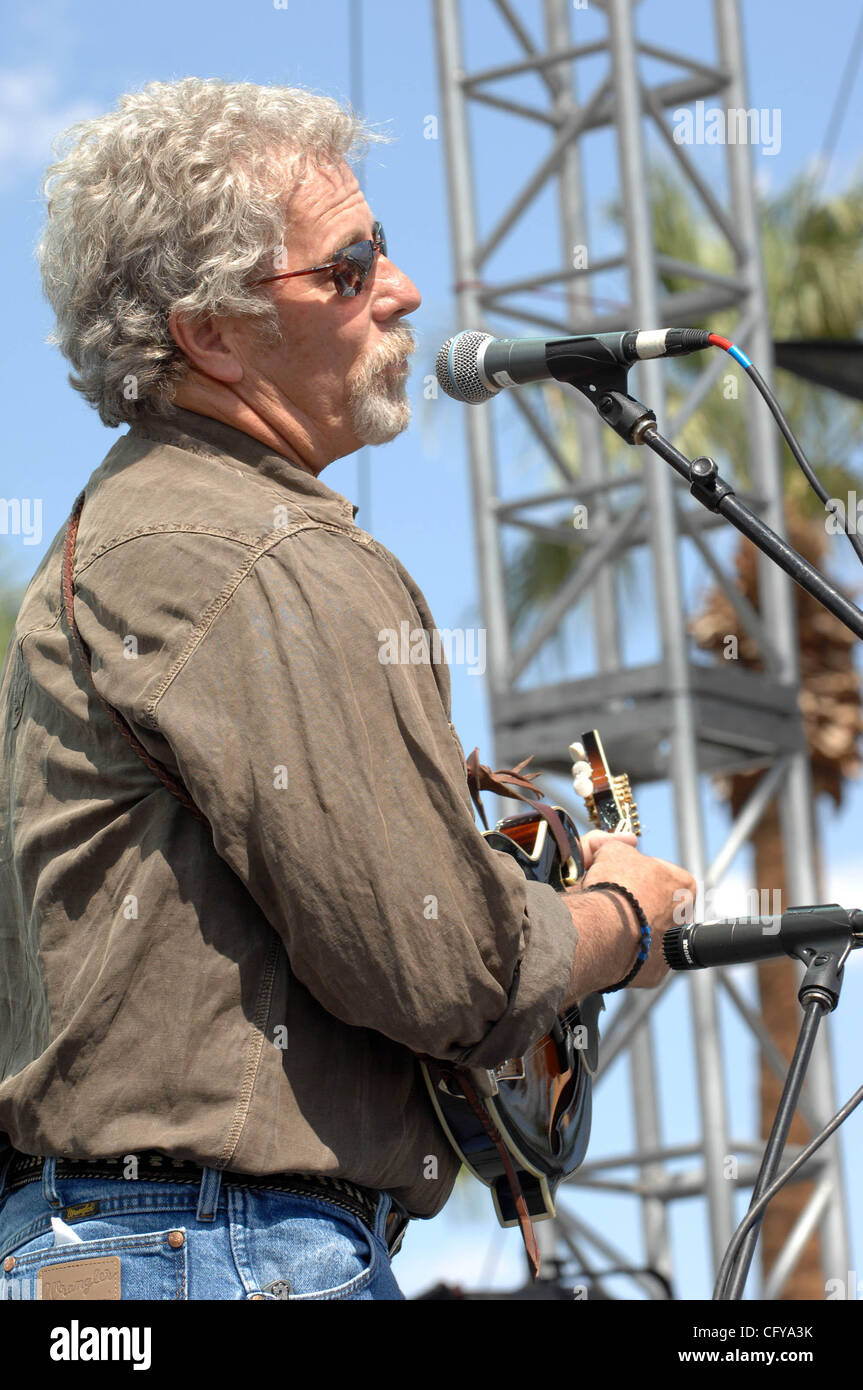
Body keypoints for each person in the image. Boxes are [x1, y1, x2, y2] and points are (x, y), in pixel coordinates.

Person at [0, 78, 695, 1301]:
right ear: (208, 332)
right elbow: (441, 970)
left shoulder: (121, 534)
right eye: (347, 266)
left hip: (122, 1249)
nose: (403, 289)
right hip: (228, 1249)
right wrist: (616, 917)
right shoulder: (262, 554)